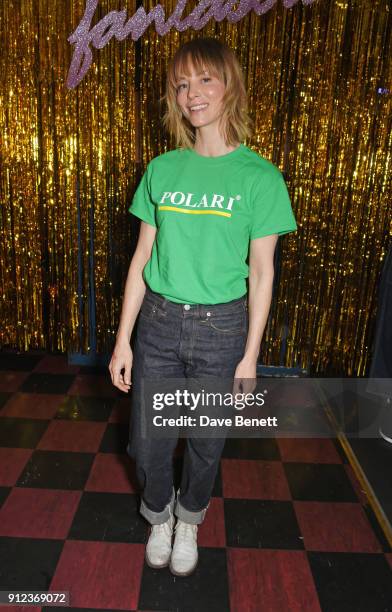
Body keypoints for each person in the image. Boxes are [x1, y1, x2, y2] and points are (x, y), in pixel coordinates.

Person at [109, 37, 297, 576]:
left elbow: (262, 273)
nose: (193, 94)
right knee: (146, 445)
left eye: (205, 80)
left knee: (206, 442)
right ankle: (159, 514)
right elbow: (142, 258)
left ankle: (188, 519)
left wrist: (250, 357)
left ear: (229, 86)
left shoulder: (260, 178)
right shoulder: (163, 170)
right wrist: (123, 339)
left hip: (222, 330)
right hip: (159, 325)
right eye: (183, 84)